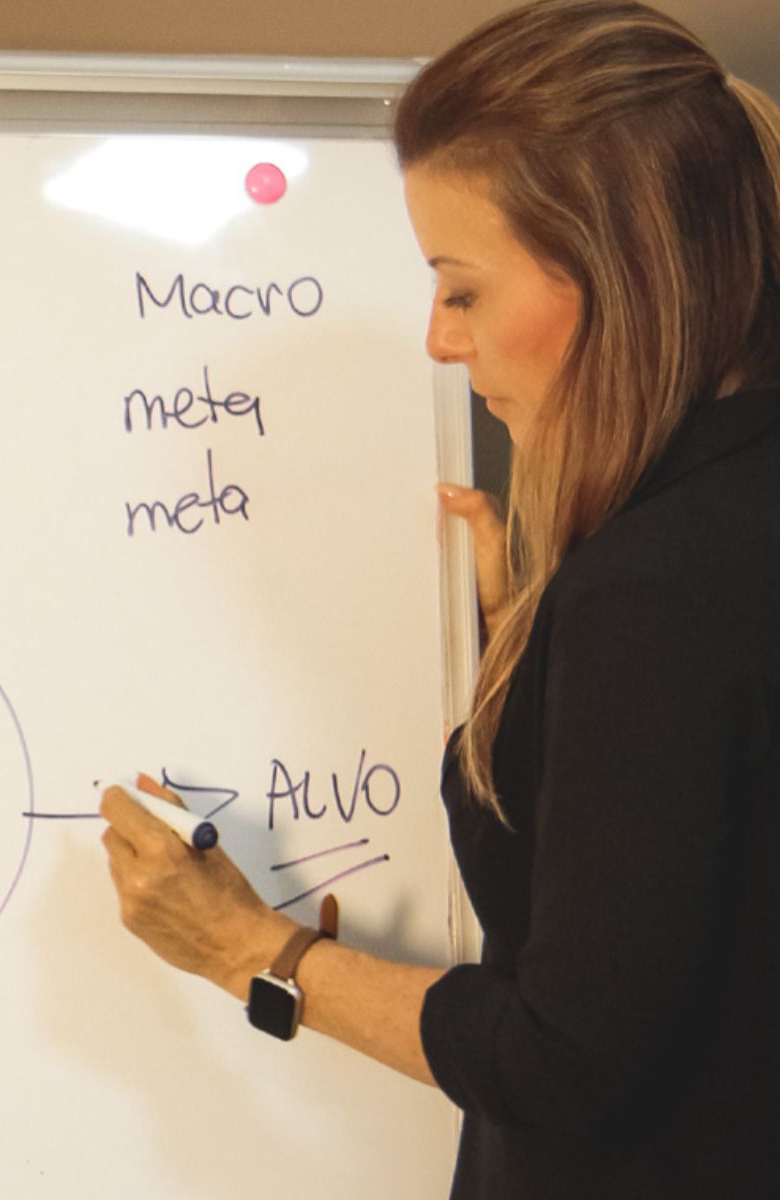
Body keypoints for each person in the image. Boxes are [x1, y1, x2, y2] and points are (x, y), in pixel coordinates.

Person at [100, 2, 780, 1195]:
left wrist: (247, 948)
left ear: (618, 276)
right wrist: (541, 654)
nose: (437, 339)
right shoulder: (709, 528)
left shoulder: (652, 590)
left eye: (462, 291)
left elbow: (569, 1061)